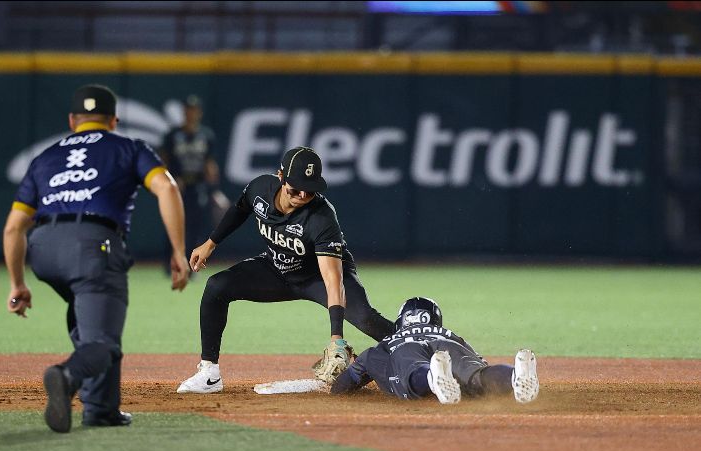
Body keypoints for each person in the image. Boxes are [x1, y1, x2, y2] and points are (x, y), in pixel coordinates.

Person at [3, 84, 190, 433]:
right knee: (102, 341)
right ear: (113, 121)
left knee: (88, 319)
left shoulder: (45, 158)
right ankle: (67, 375)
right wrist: (178, 250)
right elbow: (166, 187)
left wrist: (18, 284)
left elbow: (14, 228)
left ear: (72, 121)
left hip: (43, 248)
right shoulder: (128, 147)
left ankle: (101, 409)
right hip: (92, 246)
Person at [176, 146, 395, 393]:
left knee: (366, 319)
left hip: (317, 277)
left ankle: (420, 345)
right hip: (276, 269)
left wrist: (337, 338)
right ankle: (209, 374)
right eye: (296, 187)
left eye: (309, 190)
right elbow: (239, 209)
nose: (302, 194)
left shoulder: (321, 217)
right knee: (217, 286)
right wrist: (210, 243)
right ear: (280, 176)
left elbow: (332, 279)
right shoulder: (260, 189)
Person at [331, 296, 540, 404]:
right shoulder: (449, 335)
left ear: (401, 321)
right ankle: (515, 375)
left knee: (412, 372)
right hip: (449, 347)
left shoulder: (391, 340)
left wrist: (340, 385)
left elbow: (346, 382)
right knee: (478, 378)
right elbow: (480, 362)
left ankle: (431, 376)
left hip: (406, 349)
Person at [158, 95, 221, 276]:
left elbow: (210, 165)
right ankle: (171, 265)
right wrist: (170, 180)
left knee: (195, 228)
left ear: (199, 112)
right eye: (188, 109)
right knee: (173, 225)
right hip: (177, 187)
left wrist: (215, 190)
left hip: (197, 187)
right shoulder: (172, 135)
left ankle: (192, 266)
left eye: (194, 110)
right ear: (184, 112)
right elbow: (163, 162)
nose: (191, 113)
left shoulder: (206, 135)